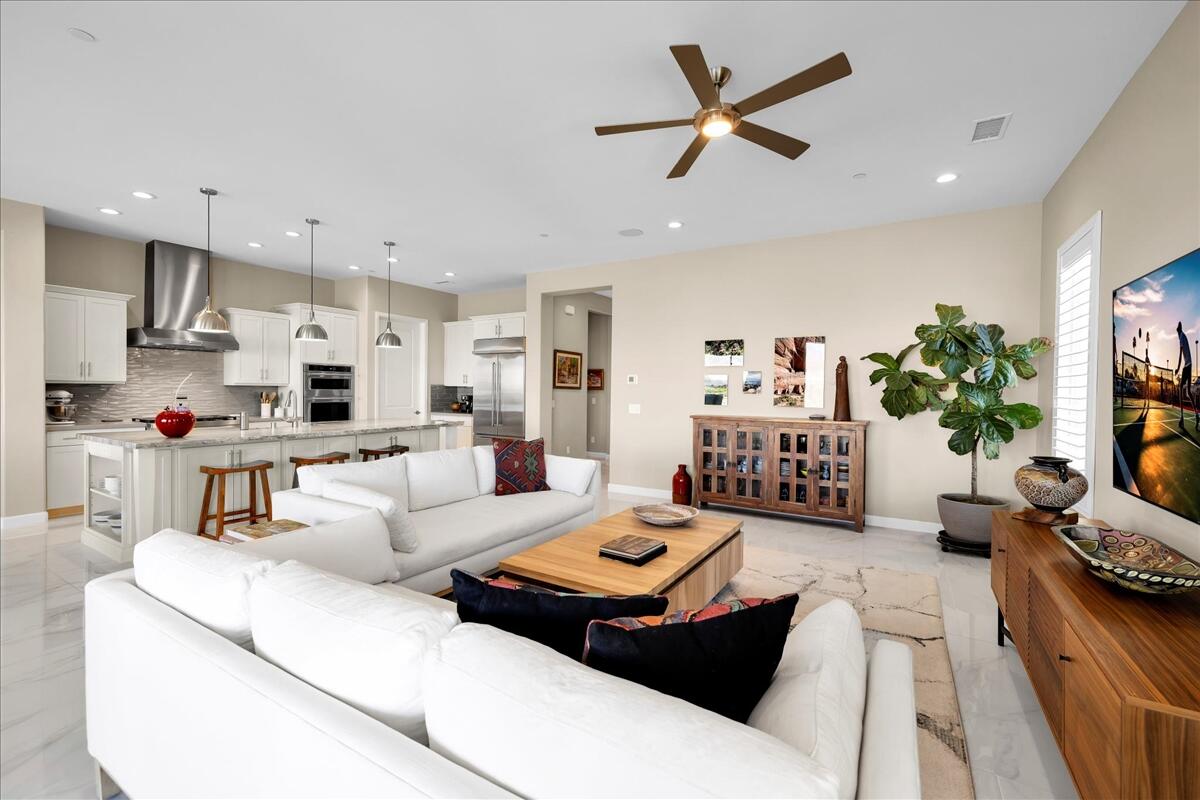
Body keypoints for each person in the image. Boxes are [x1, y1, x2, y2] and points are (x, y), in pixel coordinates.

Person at [1174, 321, 1196, 425]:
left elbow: (1180, 354)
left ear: (1178, 331)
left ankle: (1182, 418)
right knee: (1188, 392)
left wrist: (1178, 368)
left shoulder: (1181, 337)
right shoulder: (1184, 336)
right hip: (1190, 364)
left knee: (1180, 389)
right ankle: (1197, 414)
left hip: (1186, 366)